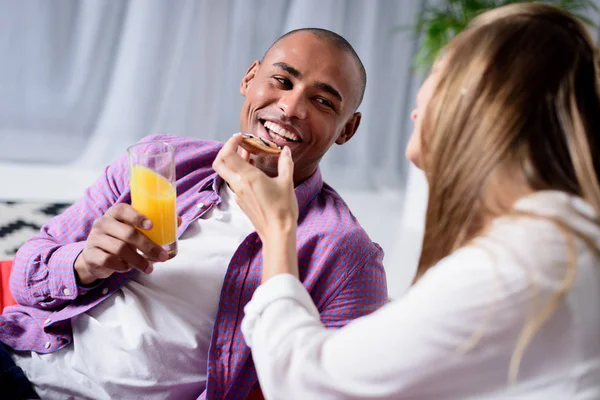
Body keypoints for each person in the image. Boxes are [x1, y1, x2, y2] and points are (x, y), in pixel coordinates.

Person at [213, 3, 600, 399]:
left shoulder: (522, 265)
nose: (415, 107)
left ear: (477, 106)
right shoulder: (553, 242)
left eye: (438, 74)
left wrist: (279, 230)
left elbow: (307, 384)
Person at [0, 28, 388, 399]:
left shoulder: (347, 255)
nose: (290, 108)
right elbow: (25, 275)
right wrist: (83, 264)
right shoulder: (161, 160)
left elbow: (338, 387)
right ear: (250, 79)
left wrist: (278, 231)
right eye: (282, 81)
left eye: (322, 101)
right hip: (22, 359)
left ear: (347, 129)